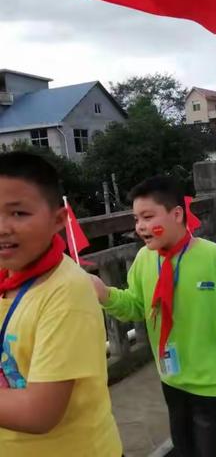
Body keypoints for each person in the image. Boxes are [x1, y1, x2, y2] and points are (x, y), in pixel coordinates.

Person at [91, 176, 216, 457]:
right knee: (185, 449)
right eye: (136, 219)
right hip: (171, 379)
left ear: (176, 214)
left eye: (148, 216)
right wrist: (106, 295)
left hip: (212, 382)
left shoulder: (212, 257)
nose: (140, 227)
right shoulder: (144, 260)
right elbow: (137, 306)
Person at [0, 152, 122, 456]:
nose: (2, 227)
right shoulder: (7, 276)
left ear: (58, 220)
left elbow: (39, 412)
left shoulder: (67, 292)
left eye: (18, 214)